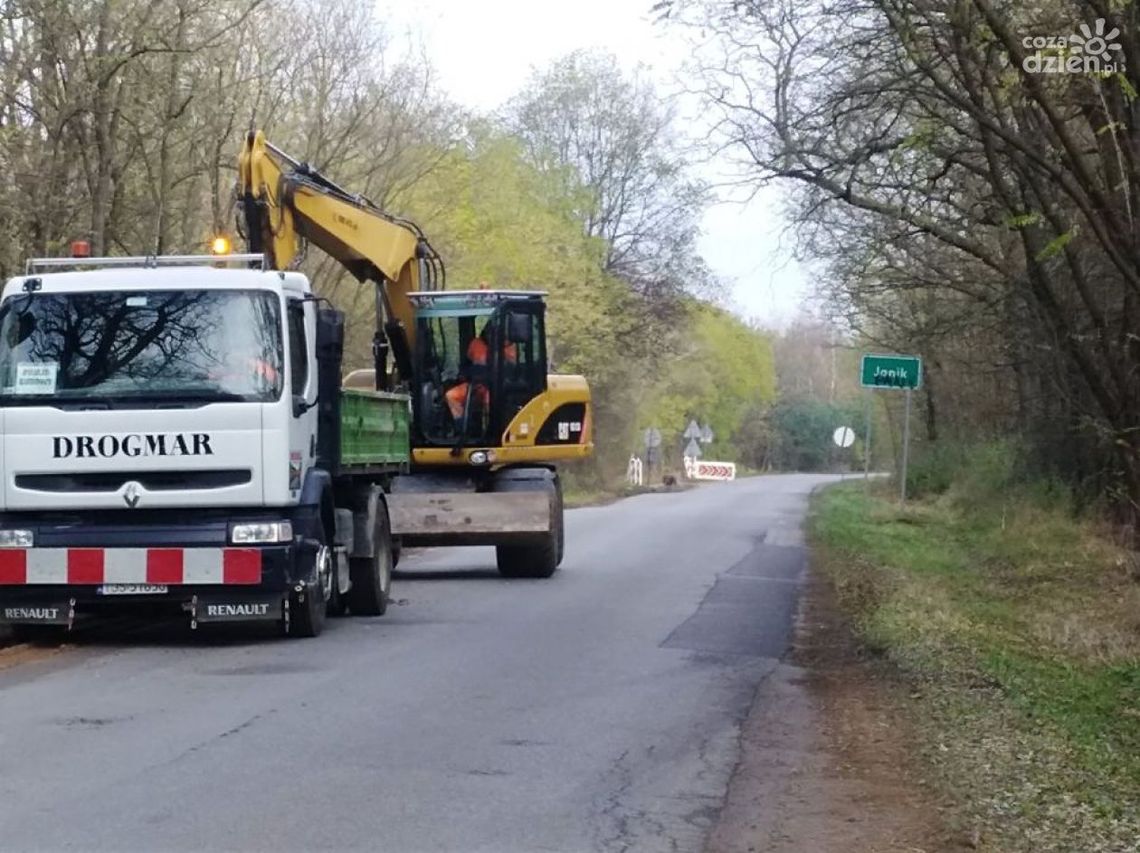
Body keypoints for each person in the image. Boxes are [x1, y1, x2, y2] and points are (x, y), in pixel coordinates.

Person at [444, 322, 517, 425]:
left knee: (489, 400)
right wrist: (464, 374)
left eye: (493, 333)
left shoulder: (508, 347)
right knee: (450, 396)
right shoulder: (476, 344)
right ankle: (462, 426)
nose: (490, 335)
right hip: (474, 385)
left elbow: (510, 371)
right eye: (488, 332)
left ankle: (489, 429)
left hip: (496, 387)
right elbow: (467, 364)